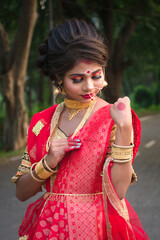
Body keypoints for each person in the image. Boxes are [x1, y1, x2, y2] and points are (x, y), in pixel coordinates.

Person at [12, 18, 149, 240]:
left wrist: (124, 128)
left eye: (96, 75)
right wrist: (48, 162)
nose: (89, 87)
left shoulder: (114, 118)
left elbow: (119, 191)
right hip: (49, 228)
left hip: (97, 226)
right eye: (77, 79)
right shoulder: (42, 121)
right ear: (59, 78)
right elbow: (21, 193)